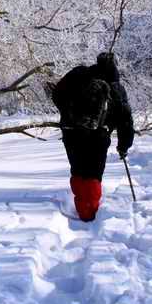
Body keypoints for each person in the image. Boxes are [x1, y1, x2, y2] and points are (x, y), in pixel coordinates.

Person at [50, 52, 134, 222]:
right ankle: (89, 213)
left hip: (71, 132)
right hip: (99, 135)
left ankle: (82, 206)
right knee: (93, 175)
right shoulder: (115, 86)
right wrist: (124, 145)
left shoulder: (78, 73)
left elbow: (56, 95)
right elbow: (125, 119)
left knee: (78, 171)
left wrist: (69, 114)